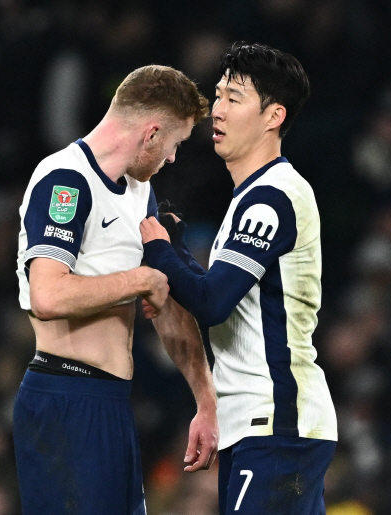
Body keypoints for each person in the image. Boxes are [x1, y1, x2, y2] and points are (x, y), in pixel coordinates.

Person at [140, 42, 337, 514]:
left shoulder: (271, 198)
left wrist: (161, 253)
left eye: (236, 98)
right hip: (267, 427)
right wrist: (177, 252)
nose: (218, 111)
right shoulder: (255, 195)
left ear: (273, 117)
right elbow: (221, 296)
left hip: (274, 426)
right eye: (219, 95)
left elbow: (212, 303)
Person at [13, 65, 218, 515]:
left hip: (111, 404)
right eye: (175, 144)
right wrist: (141, 280)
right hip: (66, 399)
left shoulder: (138, 194)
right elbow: (47, 295)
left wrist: (205, 400)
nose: (173, 158)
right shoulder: (65, 180)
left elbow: (164, 303)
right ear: (152, 132)